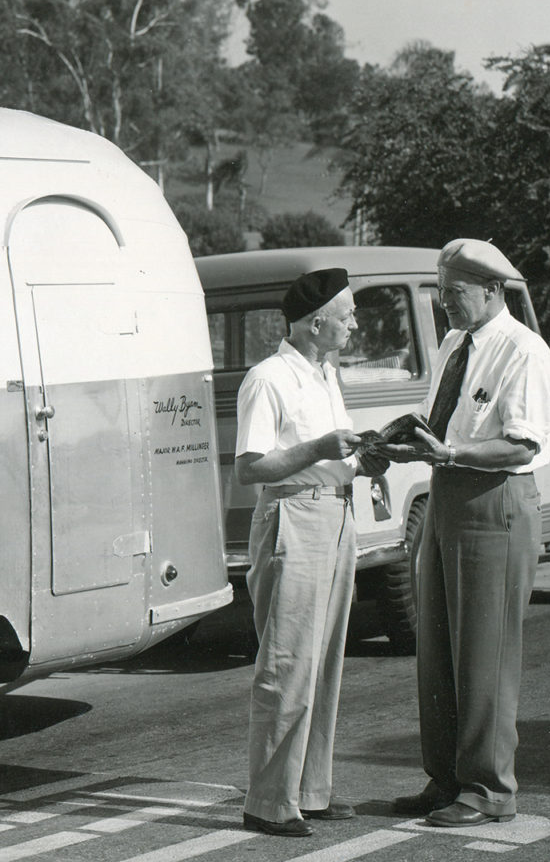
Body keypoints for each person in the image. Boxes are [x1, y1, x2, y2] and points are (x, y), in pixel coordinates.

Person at [382, 238, 550, 827]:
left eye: (453, 292)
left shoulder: (524, 351)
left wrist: (451, 452)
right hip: (447, 493)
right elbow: (443, 426)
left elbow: (523, 445)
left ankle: (488, 790)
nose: (445, 303)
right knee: (437, 649)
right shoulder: (456, 344)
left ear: (492, 290)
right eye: (441, 291)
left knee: (486, 653)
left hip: (494, 502)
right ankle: (447, 778)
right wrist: (405, 444)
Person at [234, 268, 389, 838]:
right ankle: (268, 802)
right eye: (347, 315)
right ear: (316, 322)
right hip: (294, 517)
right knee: (287, 662)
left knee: (323, 661)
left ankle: (309, 791)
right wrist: (320, 448)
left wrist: (363, 462)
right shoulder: (268, 378)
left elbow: (331, 456)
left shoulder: (325, 375)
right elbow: (251, 467)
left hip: (335, 515)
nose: (354, 324)